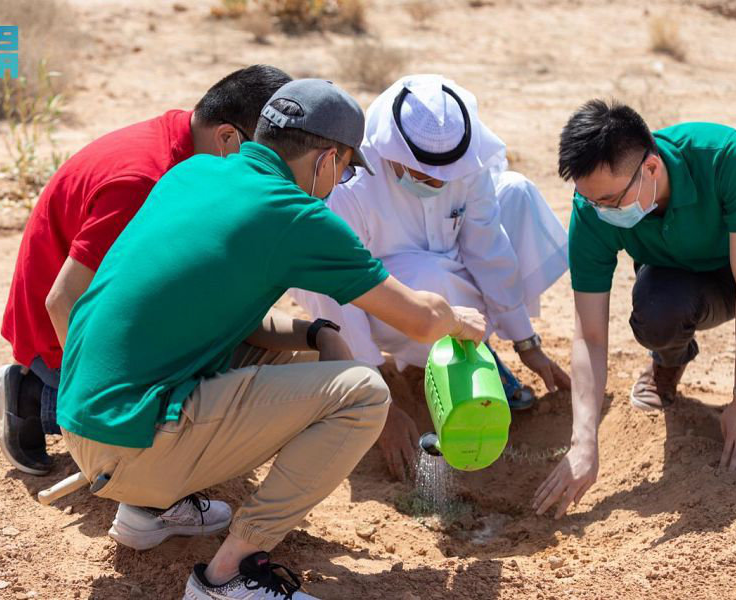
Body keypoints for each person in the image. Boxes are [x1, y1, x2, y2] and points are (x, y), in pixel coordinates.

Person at [56, 79, 488, 599]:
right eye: (347, 169)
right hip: (132, 443)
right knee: (363, 395)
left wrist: (317, 332)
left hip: (88, 417)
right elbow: (419, 319)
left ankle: (152, 508)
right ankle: (228, 576)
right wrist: (461, 322)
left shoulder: (193, 173)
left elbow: (210, 318)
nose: (343, 180)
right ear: (326, 160)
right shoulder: (294, 216)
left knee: (305, 347)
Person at [0, 64, 292, 480]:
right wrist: (102, 407)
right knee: (169, 414)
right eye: (266, 154)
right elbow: (62, 300)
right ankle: (36, 395)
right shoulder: (144, 181)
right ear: (227, 137)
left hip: (112, 311)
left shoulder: (187, 137)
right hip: (55, 331)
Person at [533, 100, 736, 520]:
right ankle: (667, 362)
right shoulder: (591, 211)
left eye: (610, 199)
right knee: (656, 309)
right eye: (592, 202)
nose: (602, 211)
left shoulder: (726, 155)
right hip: (684, 283)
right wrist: (583, 440)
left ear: (652, 169)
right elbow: (589, 334)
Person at [290, 74, 570, 479]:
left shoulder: (466, 169)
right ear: (391, 152)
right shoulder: (349, 188)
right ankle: (418, 372)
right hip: (381, 301)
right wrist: (377, 400)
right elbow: (335, 293)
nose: (438, 182)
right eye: (424, 174)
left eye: (445, 175)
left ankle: (475, 355)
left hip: (448, 277)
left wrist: (526, 341)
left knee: (517, 194)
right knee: (429, 276)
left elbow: (487, 246)